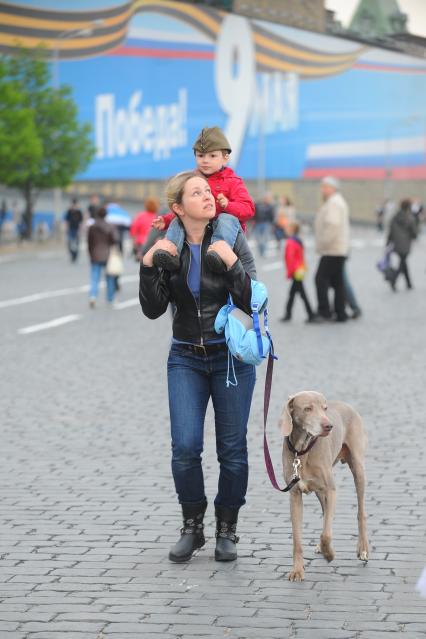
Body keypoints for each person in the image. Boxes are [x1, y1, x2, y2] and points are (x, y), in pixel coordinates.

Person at [139, 171, 257, 564]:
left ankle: (227, 529)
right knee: (185, 447)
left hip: (230, 359)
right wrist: (146, 266)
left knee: (232, 450)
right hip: (185, 356)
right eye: (197, 193)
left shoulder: (229, 237)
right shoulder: (167, 246)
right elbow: (154, 310)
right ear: (178, 207)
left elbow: (251, 300)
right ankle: (193, 527)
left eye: (208, 190)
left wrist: (231, 265)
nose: (208, 196)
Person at [151, 126, 254, 273]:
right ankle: (170, 252)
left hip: (225, 233)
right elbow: (186, 207)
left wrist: (227, 205)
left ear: (225, 158)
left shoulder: (233, 181)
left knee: (226, 218)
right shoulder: (192, 179)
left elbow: (248, 209)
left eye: (212, 156)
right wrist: (167, 220)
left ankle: (219, 252)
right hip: (197, 230)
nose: (205, 161)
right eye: (200, 156)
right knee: (178, 220)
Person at [313, 176, 349, 323]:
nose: (322, 190)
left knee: (320, 279)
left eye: (325, 187)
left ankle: (324, 311)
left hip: (332, 249)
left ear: (332, 188)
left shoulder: (333, 203)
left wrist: (323, 243)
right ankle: (341, 313)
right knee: (337, 282)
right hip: (338, 248)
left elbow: (332, 225)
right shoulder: (336, 201)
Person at [280, 221, 314, 323]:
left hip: (295, 271)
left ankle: (310, 314)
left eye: (287, 228)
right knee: (293, 293)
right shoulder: (298, 241)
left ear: (291, 230)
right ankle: (288, 313)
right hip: (300, 269)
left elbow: (290, 258)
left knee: (300, 293)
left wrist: (290, 272)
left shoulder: (290, 242)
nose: (285, 229)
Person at [87, 206, 118, 308]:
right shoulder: (110, 226)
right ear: (106, 215)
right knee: (109, 276)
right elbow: (114, 240)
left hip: (95, 254)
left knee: (95, 277)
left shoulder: (92, 226)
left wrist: (90, 254)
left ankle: (93, 296)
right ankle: (110, 298)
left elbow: (89, 242)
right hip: (107, 254)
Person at [386, 199, 417, 291]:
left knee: (403, 262)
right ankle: (394, 280)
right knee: (402, 263)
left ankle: (409, 283)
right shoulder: (410, 218)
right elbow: (414, 233)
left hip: (397, 244)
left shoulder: (395, 217)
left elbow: (390, 230)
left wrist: (388, 242)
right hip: (406, 244)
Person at [253, 193, 275, 258]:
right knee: (258, 239)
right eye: (266, 198)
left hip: (266, 224)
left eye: (268, 198)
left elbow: (272, 216)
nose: (267, 199)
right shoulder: (258, 205)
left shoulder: (270, 206)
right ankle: (260, 251)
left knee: (265, 239)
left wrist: (272, 224)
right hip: (258, 223)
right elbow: (254, 213)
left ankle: (263, 252)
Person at [64, 198, 83, 262]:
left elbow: (81, 222)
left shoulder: (79, 212)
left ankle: (75, 255)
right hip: (70, 229)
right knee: (70, 242)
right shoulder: (69, 211)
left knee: (76, 243)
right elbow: (67, 221)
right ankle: (72, 254)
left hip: (77, 229)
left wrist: (80, 230)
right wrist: (66, 228)